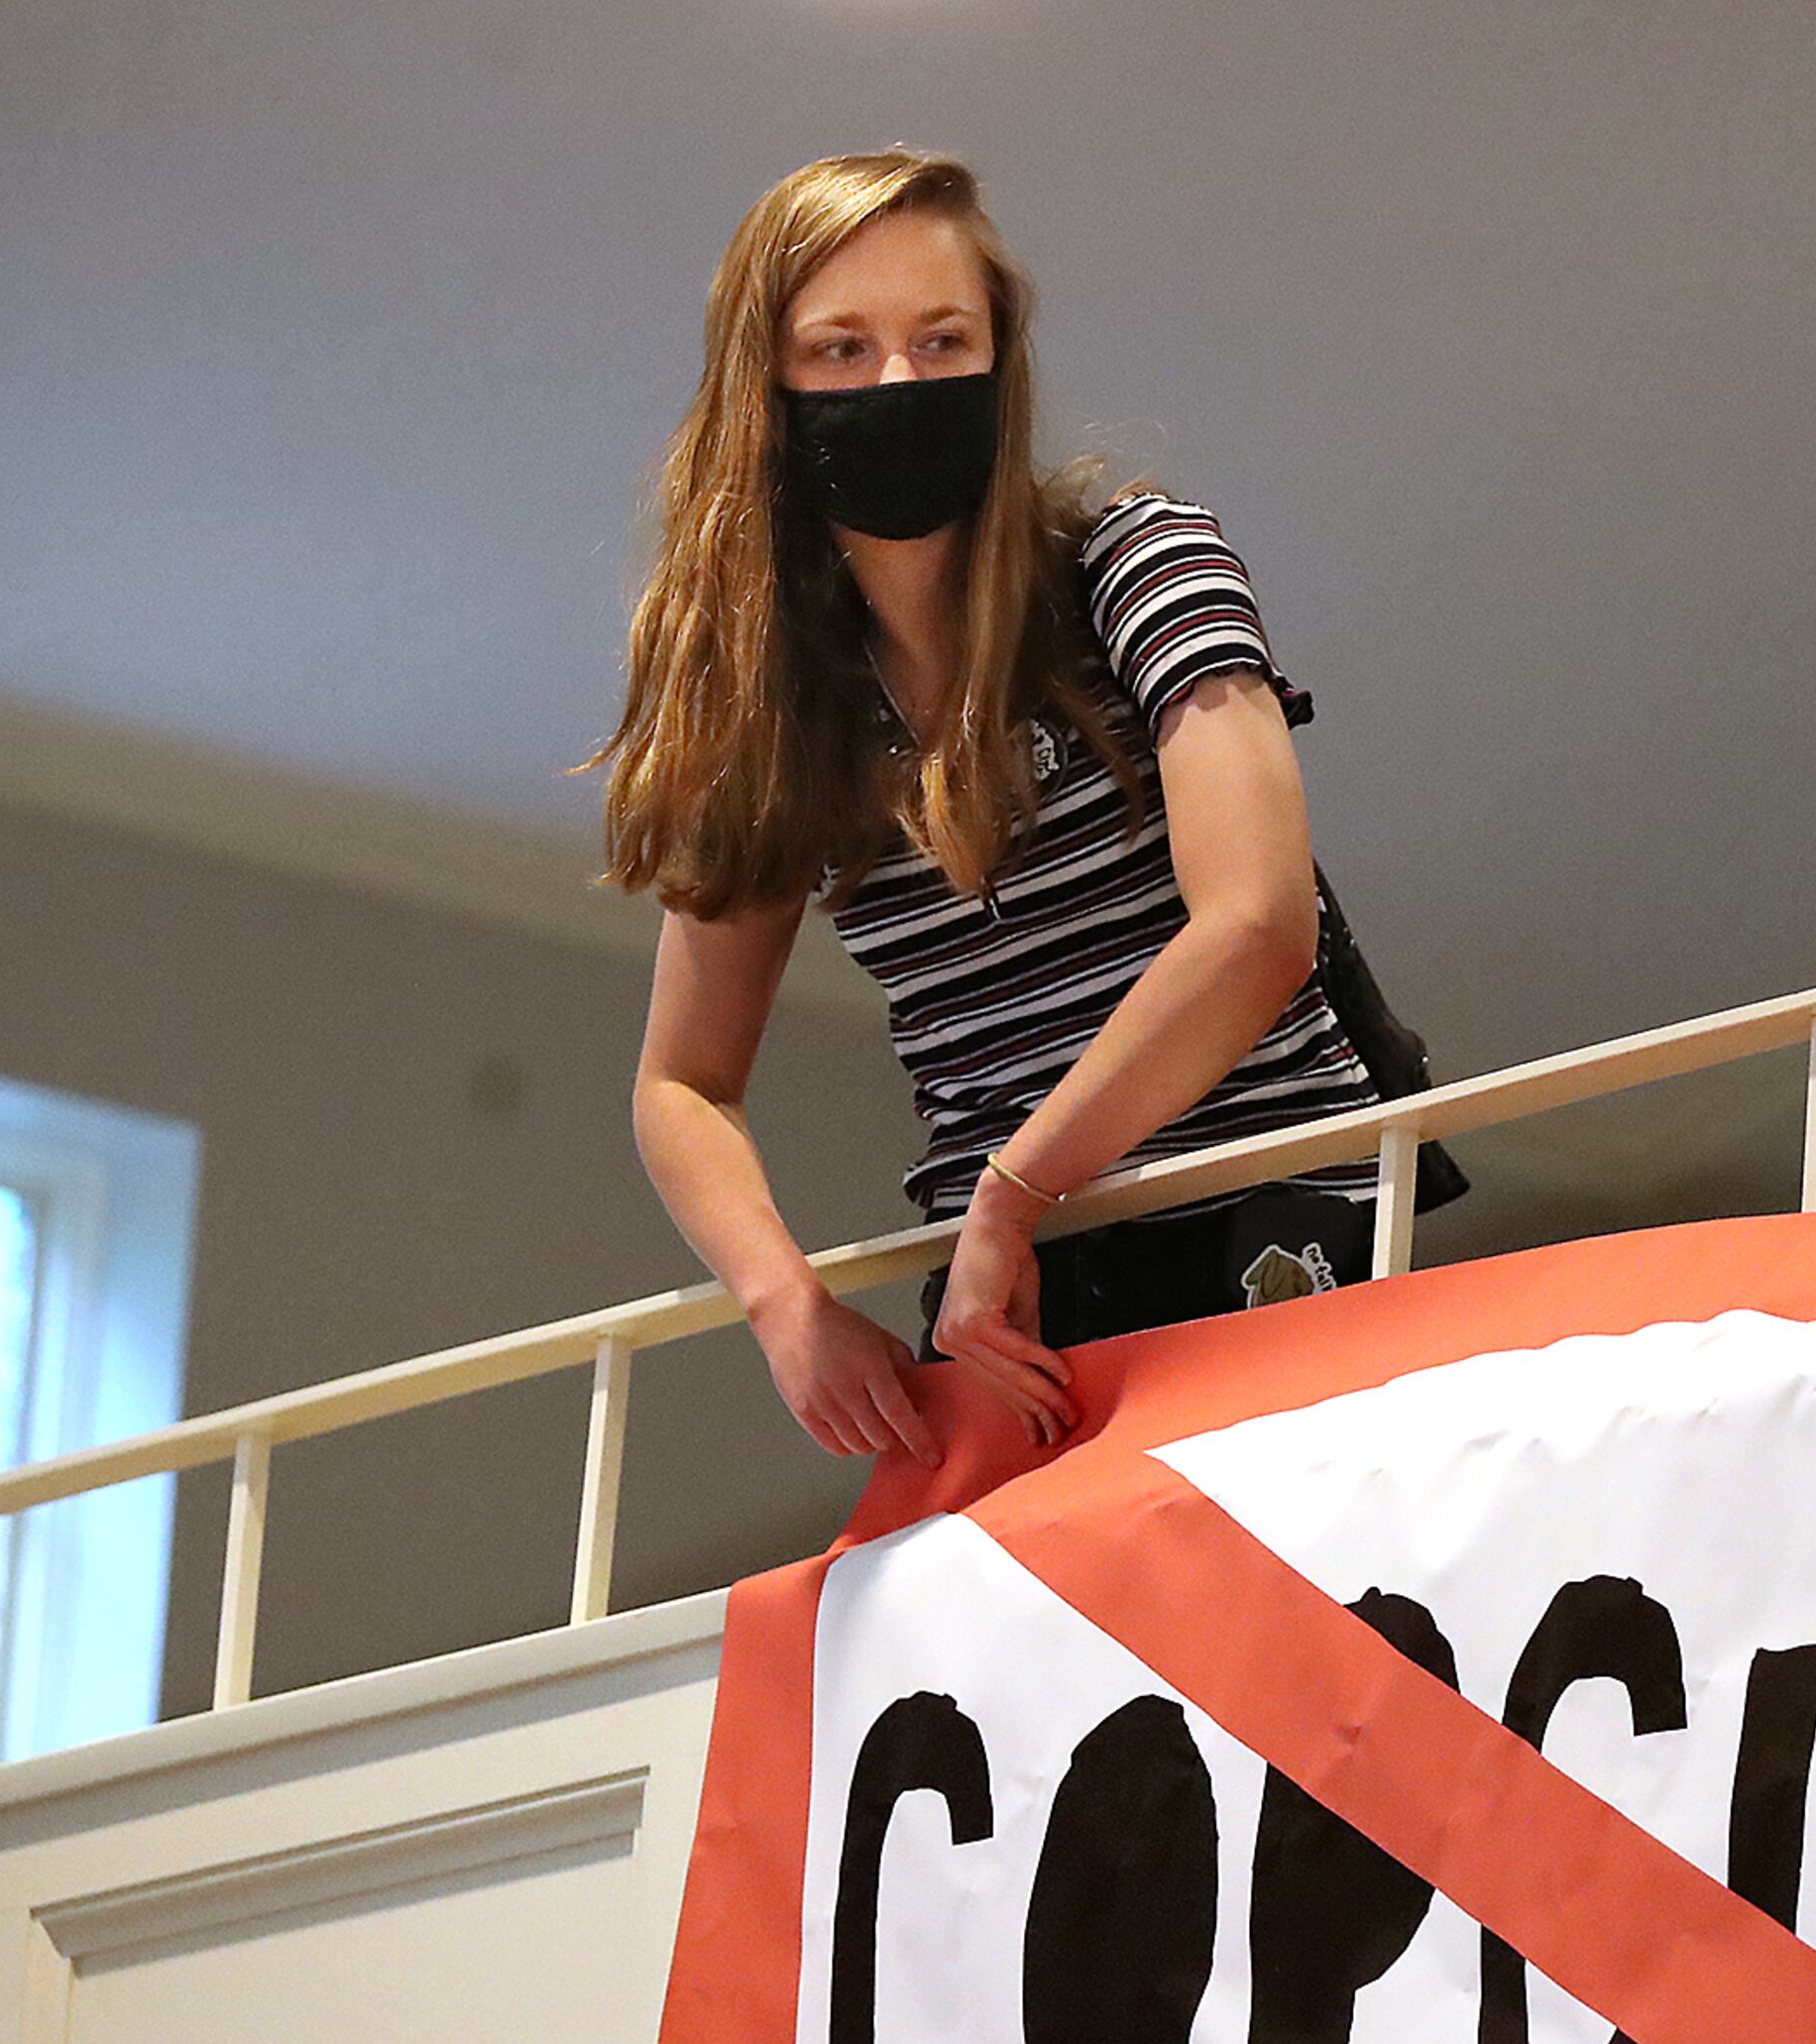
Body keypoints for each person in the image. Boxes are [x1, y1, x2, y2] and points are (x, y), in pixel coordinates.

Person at [603, 150, 1440, 1454]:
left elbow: (1257, 924)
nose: (899, 381)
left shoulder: (1137, 564)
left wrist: (1016, 1186)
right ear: (763, 390)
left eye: (944, 339)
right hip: (1014, 1300)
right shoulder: (783, 712)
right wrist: (788, 1310)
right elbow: (681, 1081)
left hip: (1270, 1203)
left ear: (1002, 359)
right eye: (840, 348)